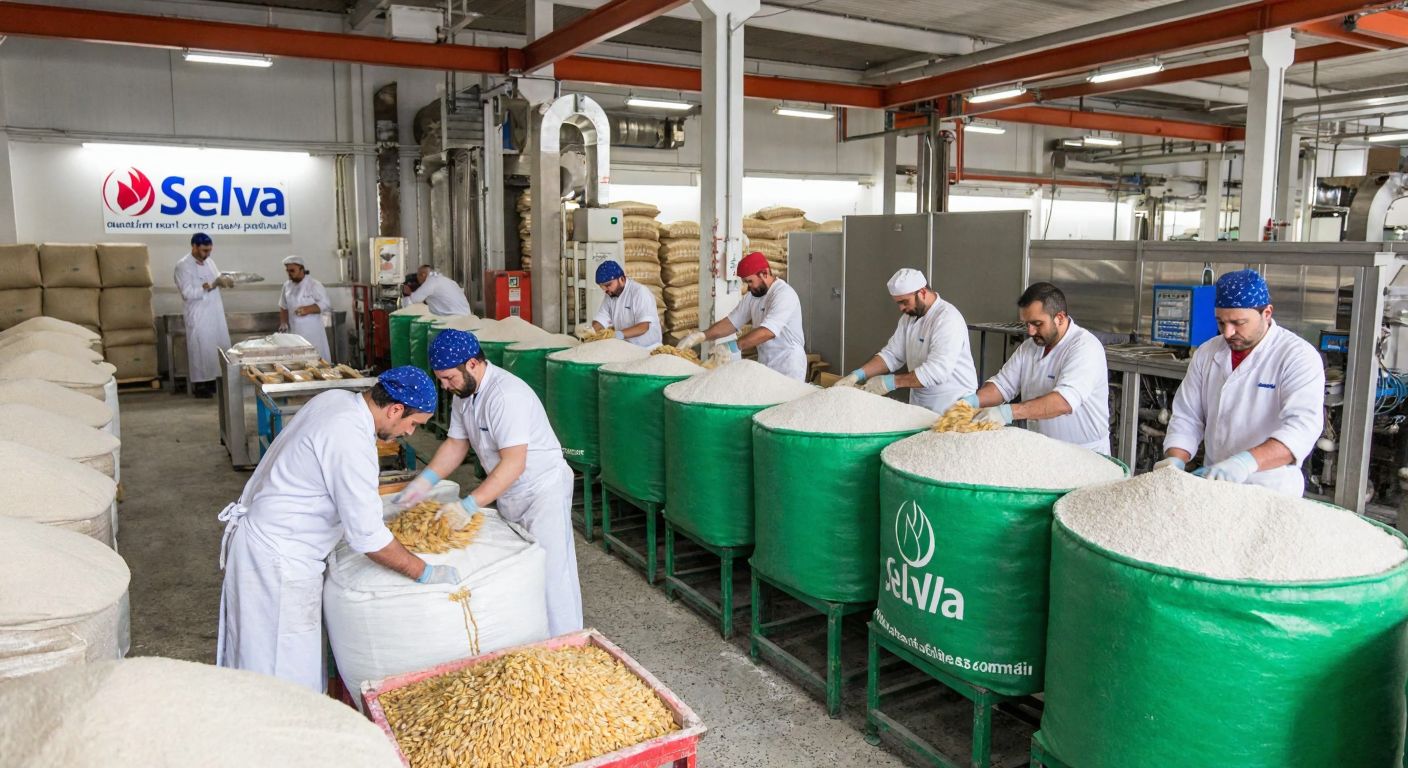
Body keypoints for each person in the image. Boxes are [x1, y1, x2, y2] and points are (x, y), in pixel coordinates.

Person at [216, 367, 456, 692]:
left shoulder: (337, 400)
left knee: (260, 659)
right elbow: (368, 538)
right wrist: (424, 572)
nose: (411, 433)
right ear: (395, 409)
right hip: (280, 560)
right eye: (413, 424)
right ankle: (279, 738)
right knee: (282, 671)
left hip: (268, 540)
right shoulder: (350, 439)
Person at [397, 329, 583, 635]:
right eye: (440, 379)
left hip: (541, 490)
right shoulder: (464, 395)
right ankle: (534, 636)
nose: (445, 387)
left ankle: (565, 640)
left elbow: (514, 463)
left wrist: (469, 505)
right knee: (524, 568)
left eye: (448, 378)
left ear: (472, 364)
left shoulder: (505, 396)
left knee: (551, 573)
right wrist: (424, 481)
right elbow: (456, 444)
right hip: (510, 489)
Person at [1155, 269, 1325, 497]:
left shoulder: (1297, 356)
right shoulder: (1207, 353)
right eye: (1221, 322)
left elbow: (1301, 429)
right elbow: (1187, 417)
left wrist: (1244, 463)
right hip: (1213, 483)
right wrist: (1175, 459)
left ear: (1267, 313)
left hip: (1269, 489)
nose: (1228, 333)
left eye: (1238, 323)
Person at [959, 282, 1111, 453]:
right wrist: (971, 402)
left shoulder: (1084, 347)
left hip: (1084, 454)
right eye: (1027, 324)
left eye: (1037, 324)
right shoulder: (1029, 348)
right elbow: (1002, 385)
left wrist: (1007, 412)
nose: (1030, 332)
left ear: (1059, 318)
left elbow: (1064, 402)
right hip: (1042, 449)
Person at [835, 268, 976, 410]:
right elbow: (892, 355)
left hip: (952, 404)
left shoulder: (947, 319)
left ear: (922, 292)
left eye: (904, 302)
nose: (901, 308)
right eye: (898, 303)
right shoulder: (909, 318)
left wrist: (891, 382)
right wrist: (857, 375)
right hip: (921, 402)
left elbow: (936, 371)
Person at [675, 251, 806, 379]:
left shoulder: (784, 294)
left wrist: (732, 347)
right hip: (766, 364)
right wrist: (701, 336)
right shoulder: (753, 297)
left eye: (750, 281)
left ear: (764, 274)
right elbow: (731, 323)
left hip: (788, 365)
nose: (748, 287)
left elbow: (768, 331)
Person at [174, 232, 232, 398]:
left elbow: (217, 278)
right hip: (198, 314)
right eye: (204, 250)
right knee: (200, 349)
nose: (207, 254)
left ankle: (213, 382)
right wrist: (210, 286)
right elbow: (187, 292)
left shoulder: (209, 262)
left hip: (214, 312)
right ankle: (200, 385)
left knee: (216, 347)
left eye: (209, 250)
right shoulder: (183, 266)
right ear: (194, 247)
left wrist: (225, 281)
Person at [588, 260, 661, 348]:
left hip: (648, 348)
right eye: (602, 287)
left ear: (621, 279)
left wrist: (616, 335)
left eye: (608, 285)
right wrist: (590, 332)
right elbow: (601, 320)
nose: (605, 290)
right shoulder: (610, 295)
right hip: (626, 348)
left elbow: (643, 327)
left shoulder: (639, 292)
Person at [277, 255, 332, 362]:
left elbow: (326, 304)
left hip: (312, 332)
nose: (289, 273)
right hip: (294, 333)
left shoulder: (314, 285)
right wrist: (283, 322)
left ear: (302, 269)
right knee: (299, 362)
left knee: (316, 361)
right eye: (287, 271)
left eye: (292, 270)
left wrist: (307, 309)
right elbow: (283, 306)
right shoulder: (287, 286)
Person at [404, 264, 471, 316]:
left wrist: (409, 293)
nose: (417, 278)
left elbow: (414, 300)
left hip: (453, 320)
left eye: (417, 275)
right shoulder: (447, 281)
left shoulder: (431, 281)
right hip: (466, 317)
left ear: (423, 275)